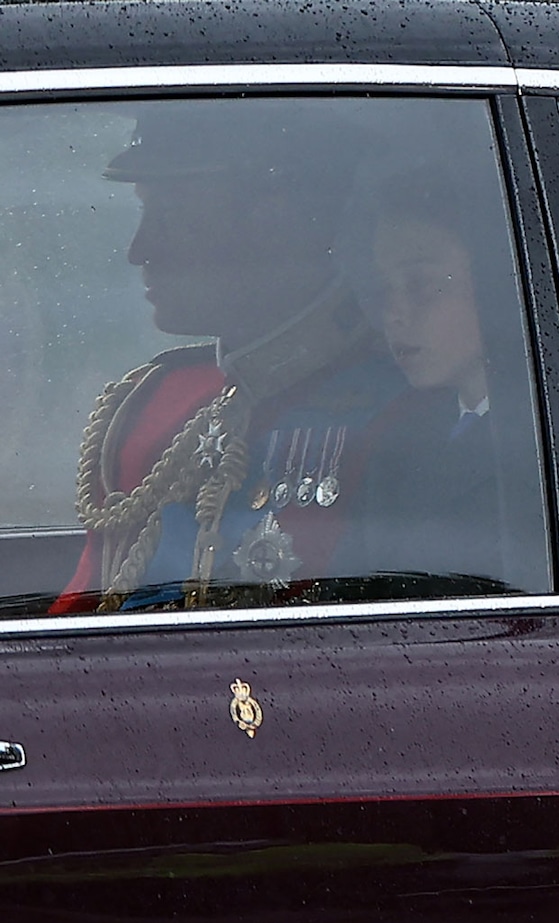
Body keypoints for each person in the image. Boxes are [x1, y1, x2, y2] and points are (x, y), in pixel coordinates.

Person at [49, 101, 403, 614]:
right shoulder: (157, 407)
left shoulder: (401, 418)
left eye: (169, 216)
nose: (139, 249)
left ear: (276, 221)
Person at [341, 173, 505, 586]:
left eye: (421, 285)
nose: (393, 314)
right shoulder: (399, 440)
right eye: (385, 289)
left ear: (496, 281)